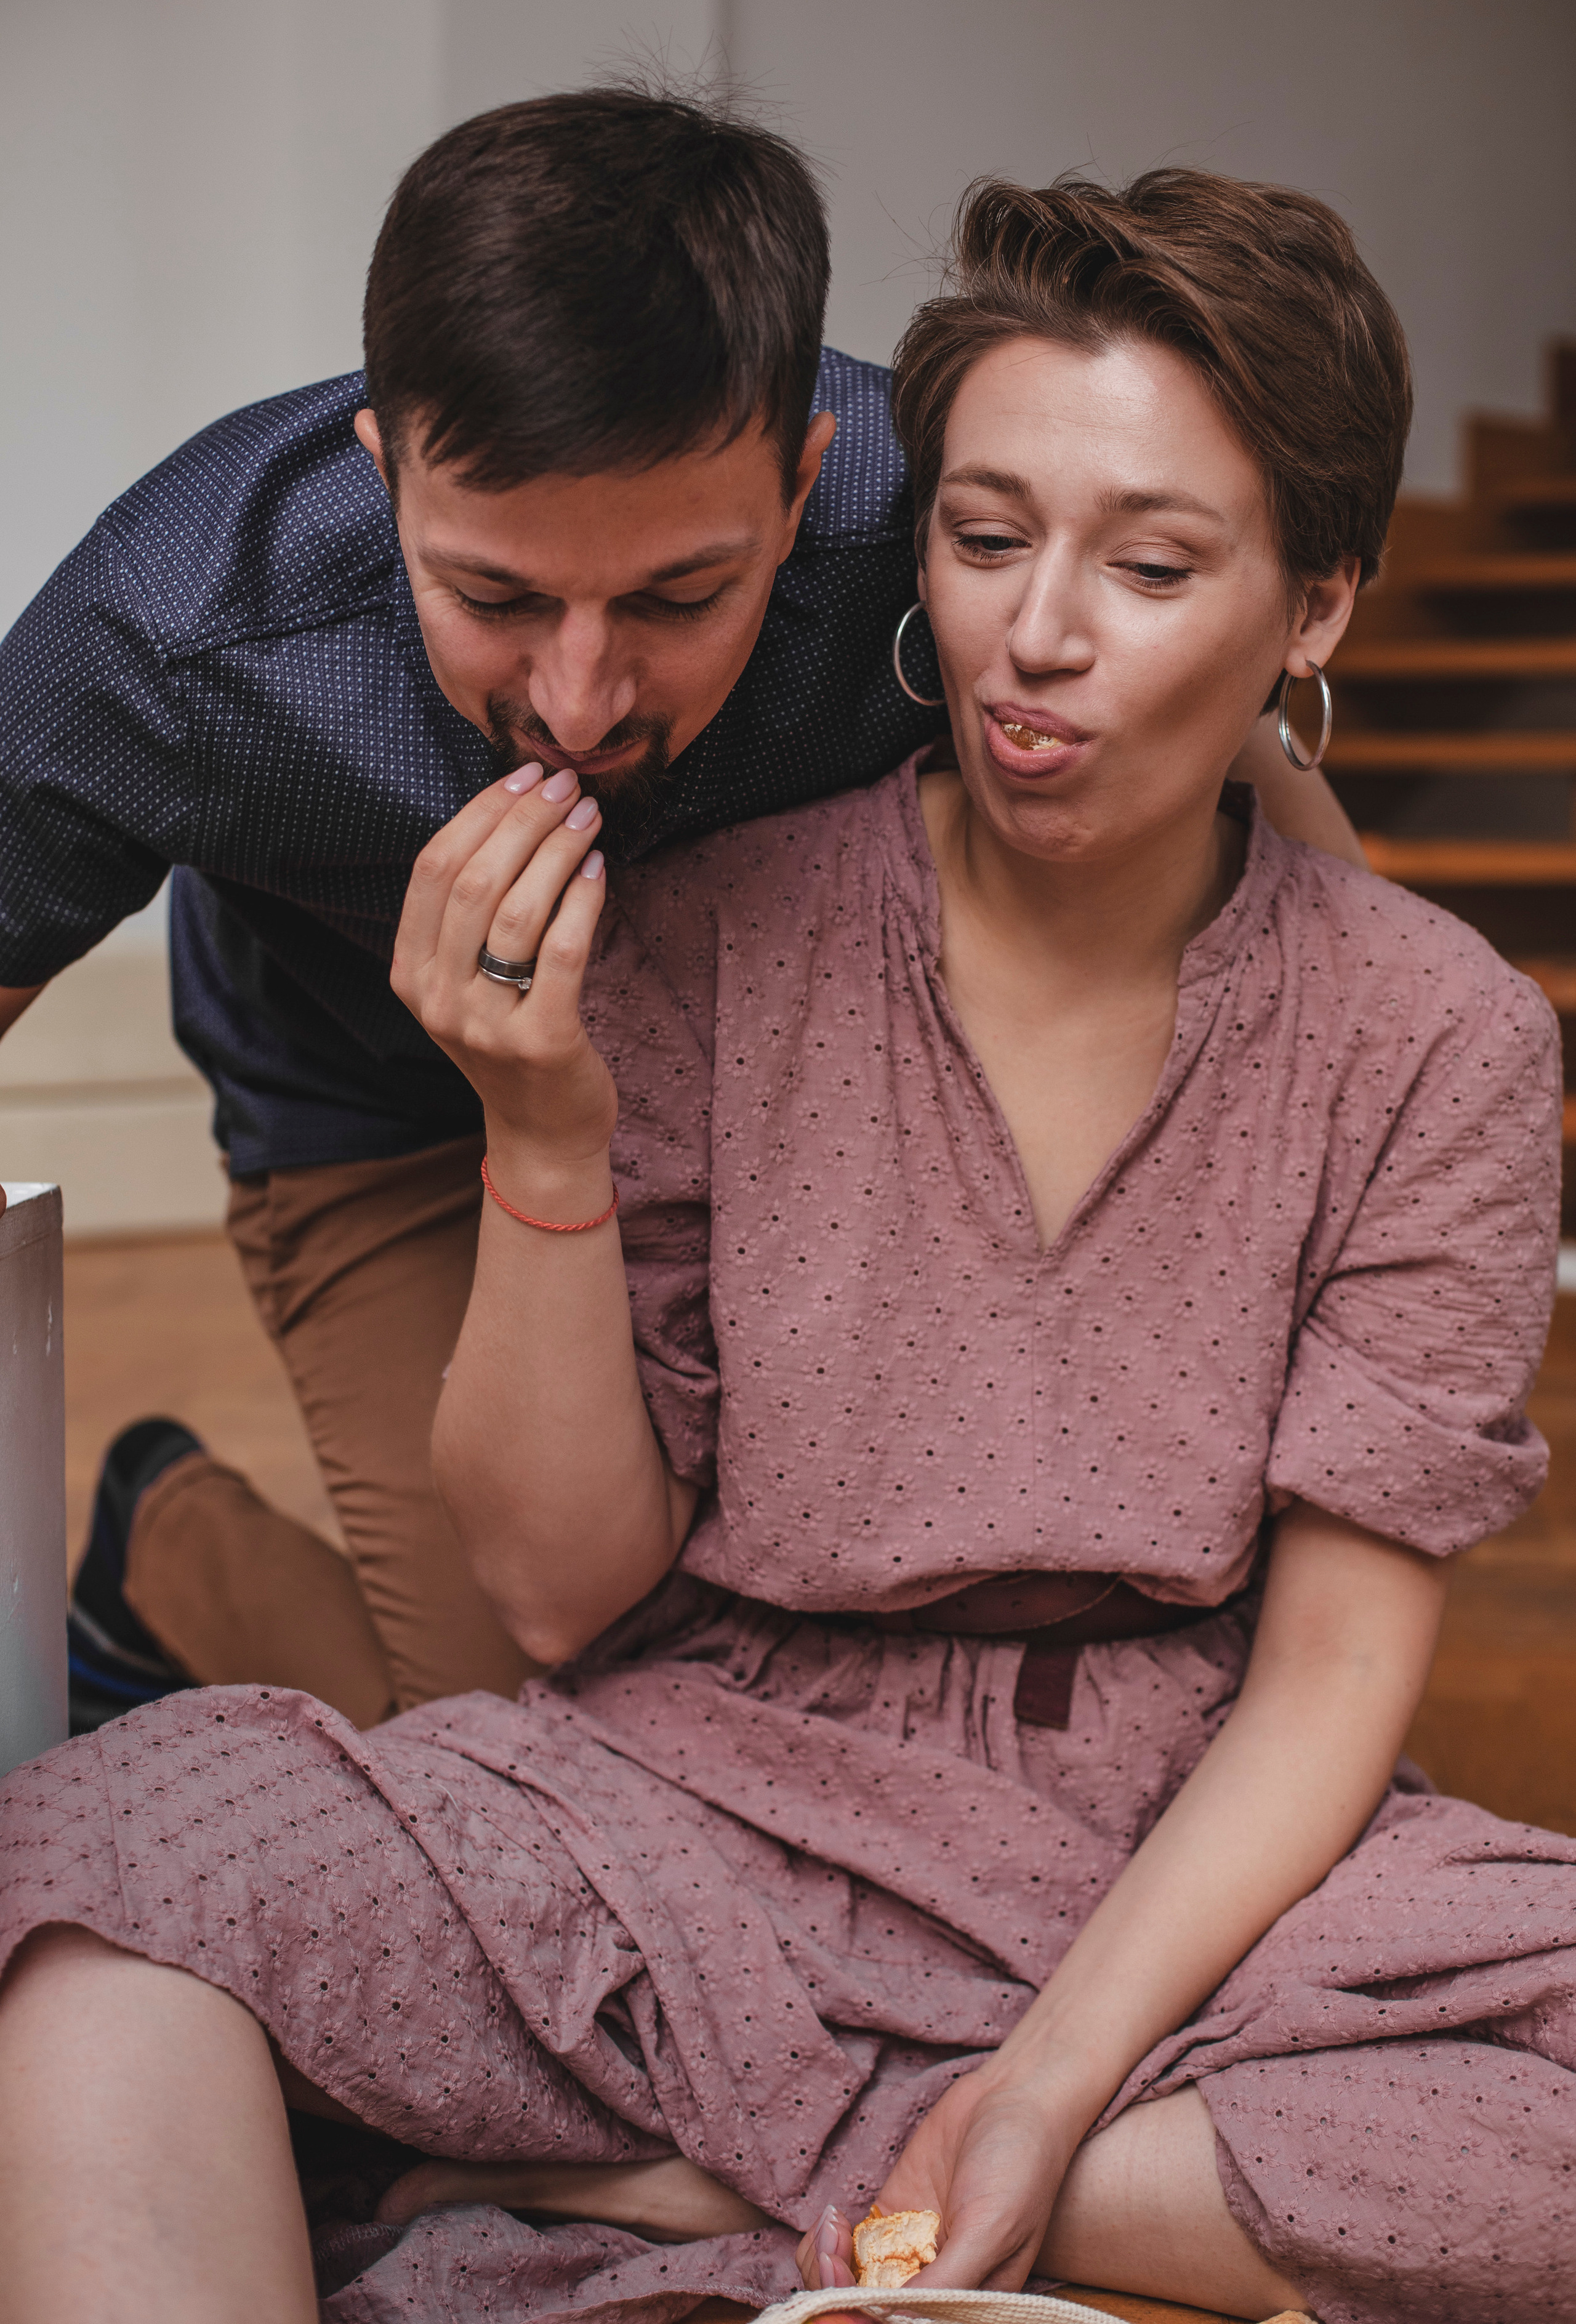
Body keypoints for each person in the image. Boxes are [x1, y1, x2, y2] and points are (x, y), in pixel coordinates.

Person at [7, 163, 1567, 2324]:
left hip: (1152, 1819)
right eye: (996, 538)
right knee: (114, 1852)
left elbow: (1328, 1671)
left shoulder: (1435, 1036)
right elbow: (569, 1595)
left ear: (1312, 606)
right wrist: (545, 1119)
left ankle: (672, 2172)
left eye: (1152, 564)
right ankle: (200, 1575)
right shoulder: (264, 665)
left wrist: (1037, 2096)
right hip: (639, 1642)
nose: (1039, 631)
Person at [0, 87, 1360, 1732]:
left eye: (677, 597)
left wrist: (1361, 1076)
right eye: (495, 596)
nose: (579, 702)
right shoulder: (176, 629)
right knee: (527, 1733)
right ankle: (176, 1541)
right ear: (387, 470)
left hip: (798, 1115)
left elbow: (1222, 739)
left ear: (804, 487)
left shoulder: (934, 517)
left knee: (803, 1692)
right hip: (388, 1122)